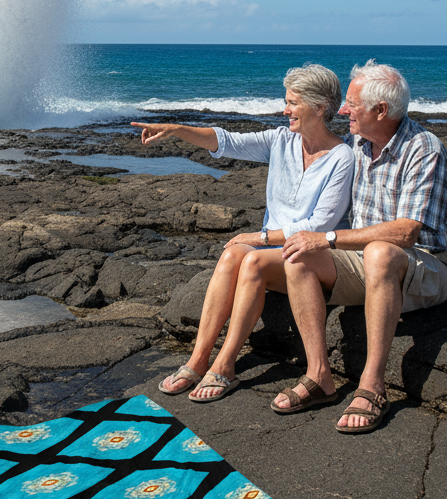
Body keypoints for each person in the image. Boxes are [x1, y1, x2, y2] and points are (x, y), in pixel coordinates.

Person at [132, 63, 354, 403]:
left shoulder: (342, 158)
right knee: (233, 253)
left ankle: (225, 364)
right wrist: (176, 129)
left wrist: (260, 237)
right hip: (275, 252)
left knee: (250, 260)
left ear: (320, 108)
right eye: (287, 101)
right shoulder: (281, 141)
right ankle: (198, 359)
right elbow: (226, 141)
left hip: (309, 257)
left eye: (293, 102)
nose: (286, 109)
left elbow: (320, 225)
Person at [274, 60, 447, 433]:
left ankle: (372, 385)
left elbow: (406, 233)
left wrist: (326, 238)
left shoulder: (424, 149)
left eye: (352, 105)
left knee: (380, 250)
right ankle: (319, 376)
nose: (343, 110)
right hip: (368, 263)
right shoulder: (356, 146)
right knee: (300, 258)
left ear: (381, 110)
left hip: (429, 266)